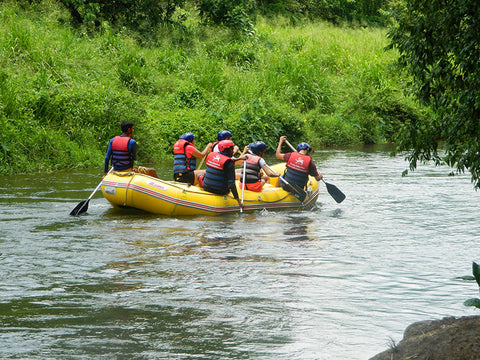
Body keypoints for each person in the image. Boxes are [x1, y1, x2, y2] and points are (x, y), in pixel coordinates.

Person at [199, 140, 245, 210]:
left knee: (200, 176)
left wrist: (239, 158)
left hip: (206, 187)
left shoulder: (211, 155)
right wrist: (238, 201)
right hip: (220, 191)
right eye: (231, 149)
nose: (233, 151)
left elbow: (222, 160)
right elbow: (231, 184)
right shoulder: (229, 164)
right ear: (227, 150)